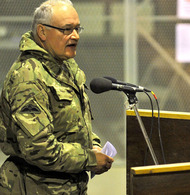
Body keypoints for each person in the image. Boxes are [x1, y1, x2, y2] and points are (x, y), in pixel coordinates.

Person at [0, 0, 114, 194]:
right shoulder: (29, 76)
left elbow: (75, 123)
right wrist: (89, 159)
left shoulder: (66, 66)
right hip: (35, 187)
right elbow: (39, 148)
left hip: (68, 186)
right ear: (42, 32)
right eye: (67, 29)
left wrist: (93, 145)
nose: (75, 36)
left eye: (78, 28)